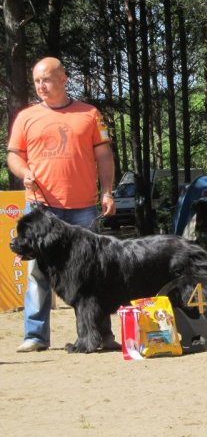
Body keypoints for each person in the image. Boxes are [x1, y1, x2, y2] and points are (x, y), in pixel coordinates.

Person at [7, 57, 117, 352]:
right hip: (41, 208)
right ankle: (36, 335)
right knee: (37, 272)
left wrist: (107, 192)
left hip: (83, 206)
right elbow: (14, 156)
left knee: (94, 272)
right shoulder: (26, 117)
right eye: (37, 81)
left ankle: (101, 335)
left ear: (64, 79)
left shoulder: (90, 114)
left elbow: (104, 155)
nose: (41, 86)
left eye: (46, 79)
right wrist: (24, 172)